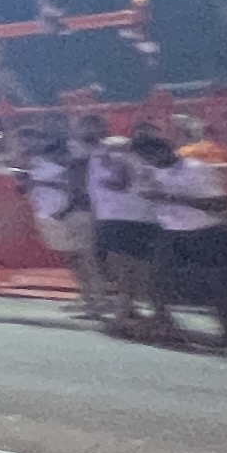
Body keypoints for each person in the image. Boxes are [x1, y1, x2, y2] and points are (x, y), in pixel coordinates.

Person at [142, 130, 227, 350]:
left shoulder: (195, 169)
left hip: (206, 231)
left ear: (163, 151)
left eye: (150, 156)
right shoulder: (152, 173)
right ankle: (168, 327)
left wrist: (169, 197)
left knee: (222, 285)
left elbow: (217, 203)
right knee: (156, 281)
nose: (149, 161)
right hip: (172, 232)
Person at [87, 127, 165, 335]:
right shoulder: (141, 159)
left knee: (124, 270)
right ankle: (152, 313)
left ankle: (125, 315)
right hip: (143, 218)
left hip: (118, 218)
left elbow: (118, 181)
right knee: (142, 270)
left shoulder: (108, 155)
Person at [26, 128, 104, 316]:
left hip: (76, 214)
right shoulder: (42, 166)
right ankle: (86, 295)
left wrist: (65, 210)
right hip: (55, 215)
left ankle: (99, 298)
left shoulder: (77, 166)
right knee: (73, 258)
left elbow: (79, 191)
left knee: (86, 257)